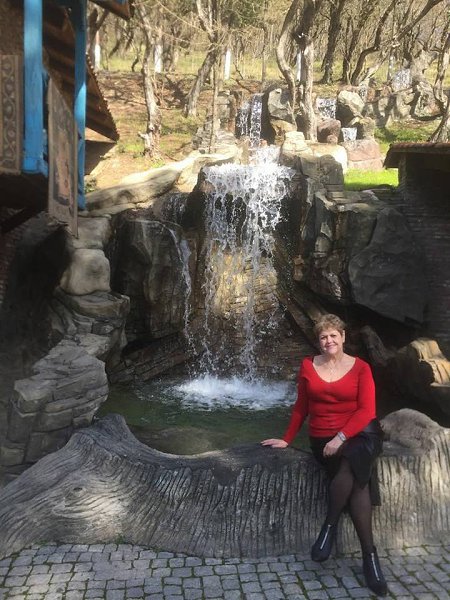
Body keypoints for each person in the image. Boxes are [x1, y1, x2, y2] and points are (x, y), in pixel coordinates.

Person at [261, 314, 388, 596]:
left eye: (333, 335)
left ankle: (332, 529)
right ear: (318, 342)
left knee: (352, 463)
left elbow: (367, 411)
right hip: (322, 439)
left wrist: (341, 437)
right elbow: (301, 406)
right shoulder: (309, 366)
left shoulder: (361, 368)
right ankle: (370, 559)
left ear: (343, 337)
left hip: (359, 434)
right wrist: (287, 438)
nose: (328, 341)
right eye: (323, 337)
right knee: (359, 480)